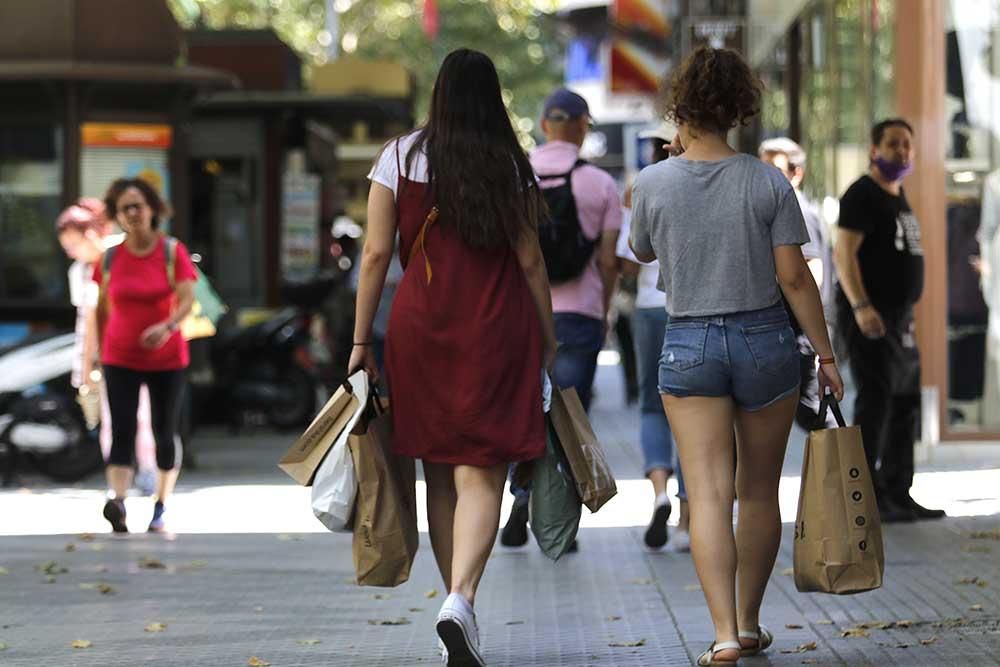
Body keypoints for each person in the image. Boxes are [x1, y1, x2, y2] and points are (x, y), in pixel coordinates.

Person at [629, 47, 844, 666]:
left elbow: (642, 251)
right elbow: (796, 279)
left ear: (681, 107)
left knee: (706, 491)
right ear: (739, 109)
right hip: (765, 342)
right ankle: (750, 622)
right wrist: (825, 355)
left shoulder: (654, 182)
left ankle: (722, 633)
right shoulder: (766, 179)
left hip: (688, 341)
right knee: (757, 492)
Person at [350, 49, 557, 667]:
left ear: (438, 93)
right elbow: (529, 259)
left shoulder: (398, 157)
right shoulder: (509, 165)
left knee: (440, 473)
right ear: (491, 97)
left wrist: (362, 342)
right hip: (497, 328)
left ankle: (456, 604)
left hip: (421, 328)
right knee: (483, 470)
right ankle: (461, 600)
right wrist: (549, 337)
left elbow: (375, 255)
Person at [500, 87, 621, 548]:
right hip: (580, 315)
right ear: (582, 126)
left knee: (524, 413)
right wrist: (604, 307)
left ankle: (521, 490)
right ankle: (561, 525)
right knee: (569, 418)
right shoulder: (600, 184)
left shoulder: (517, 175)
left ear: (545, 125)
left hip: (522, 315)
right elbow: (610, 260)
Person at [833, 118, 946, 523]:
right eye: (893, 144)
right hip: (872, 316)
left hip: (901, 318)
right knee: (876, 402)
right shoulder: (861, 195)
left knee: (905, 401)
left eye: (907, 145)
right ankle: (871, 497)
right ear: (874, 150)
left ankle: (900, 490)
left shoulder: (898, 194)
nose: (902, 152)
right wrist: (862, 307)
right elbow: (843, 254)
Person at [93, 178, 197, 534]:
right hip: (118, 356)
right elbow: (101, 308)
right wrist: (96, 354)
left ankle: (160, 506)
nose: (133, 213)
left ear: (153, 209)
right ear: (117, 215)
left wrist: (166, 327)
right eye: (125, 208)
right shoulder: (109, 257)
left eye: (139, 205)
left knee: (163, 431)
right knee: (121, 428)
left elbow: (187, 300)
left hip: (167, 358)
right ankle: (118, 502)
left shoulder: (171, 251)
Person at [618, 123, 690, 552]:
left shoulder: (643, 188)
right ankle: (686, 516)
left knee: (651, 404)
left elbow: (631, 258)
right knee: (692, 410)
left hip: (648, 308)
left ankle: (661, 491)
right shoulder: (701, 181)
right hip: (686, 310)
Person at [56, 198, 159, 497]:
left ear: (89, 235)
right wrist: (86, 366)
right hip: (112, 356)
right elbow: (85, 325)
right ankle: (123, 481)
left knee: (135, 418)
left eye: (72, 245)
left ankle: (143, 476)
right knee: (119, 421)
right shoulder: (81, 271)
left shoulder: (117, 256)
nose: (70, 253)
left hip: (130, 352)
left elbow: (92, 324)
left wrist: (86, 367)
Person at [759, 138, 837, 430]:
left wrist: (821, 350)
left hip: (802, 330)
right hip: (799, 329)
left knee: (811, 409)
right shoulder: (783, 208)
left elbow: (808, 275)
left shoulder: (798, 210)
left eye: (774, 168)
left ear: (796, 173)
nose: (766, 176)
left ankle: (842, 472)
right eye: (762, 167)